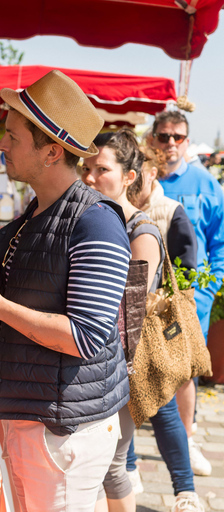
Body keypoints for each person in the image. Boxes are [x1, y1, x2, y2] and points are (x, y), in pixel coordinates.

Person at [0, 70, 129, 511]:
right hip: (34, 416)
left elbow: (85, 337)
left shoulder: (96, 222)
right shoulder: (34, 216)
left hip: (63, 429)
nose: (1, 146)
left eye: (12, 136)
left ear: (51, 151)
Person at [81, 129, 204, 512]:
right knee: (106, 465)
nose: (89, 177)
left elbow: (128, 306)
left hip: (127, 360)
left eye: (101, 169)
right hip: (101, 361)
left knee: (117, 461)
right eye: (86, 168)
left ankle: (186, 492)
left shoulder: (140, 231)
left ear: (129, 177)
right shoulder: (92, 219)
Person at [148, 110, 223, 475]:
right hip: (145, 294)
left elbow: (220, 242)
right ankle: (127, 458)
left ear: (187, 142)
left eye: (177, 137)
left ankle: (187, 438)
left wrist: (207, 291)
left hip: (191, 297)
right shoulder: (140, 177)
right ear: (153, 139)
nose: (170, 143)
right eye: (164, 136)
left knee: (185, 368)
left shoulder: (205, 184)